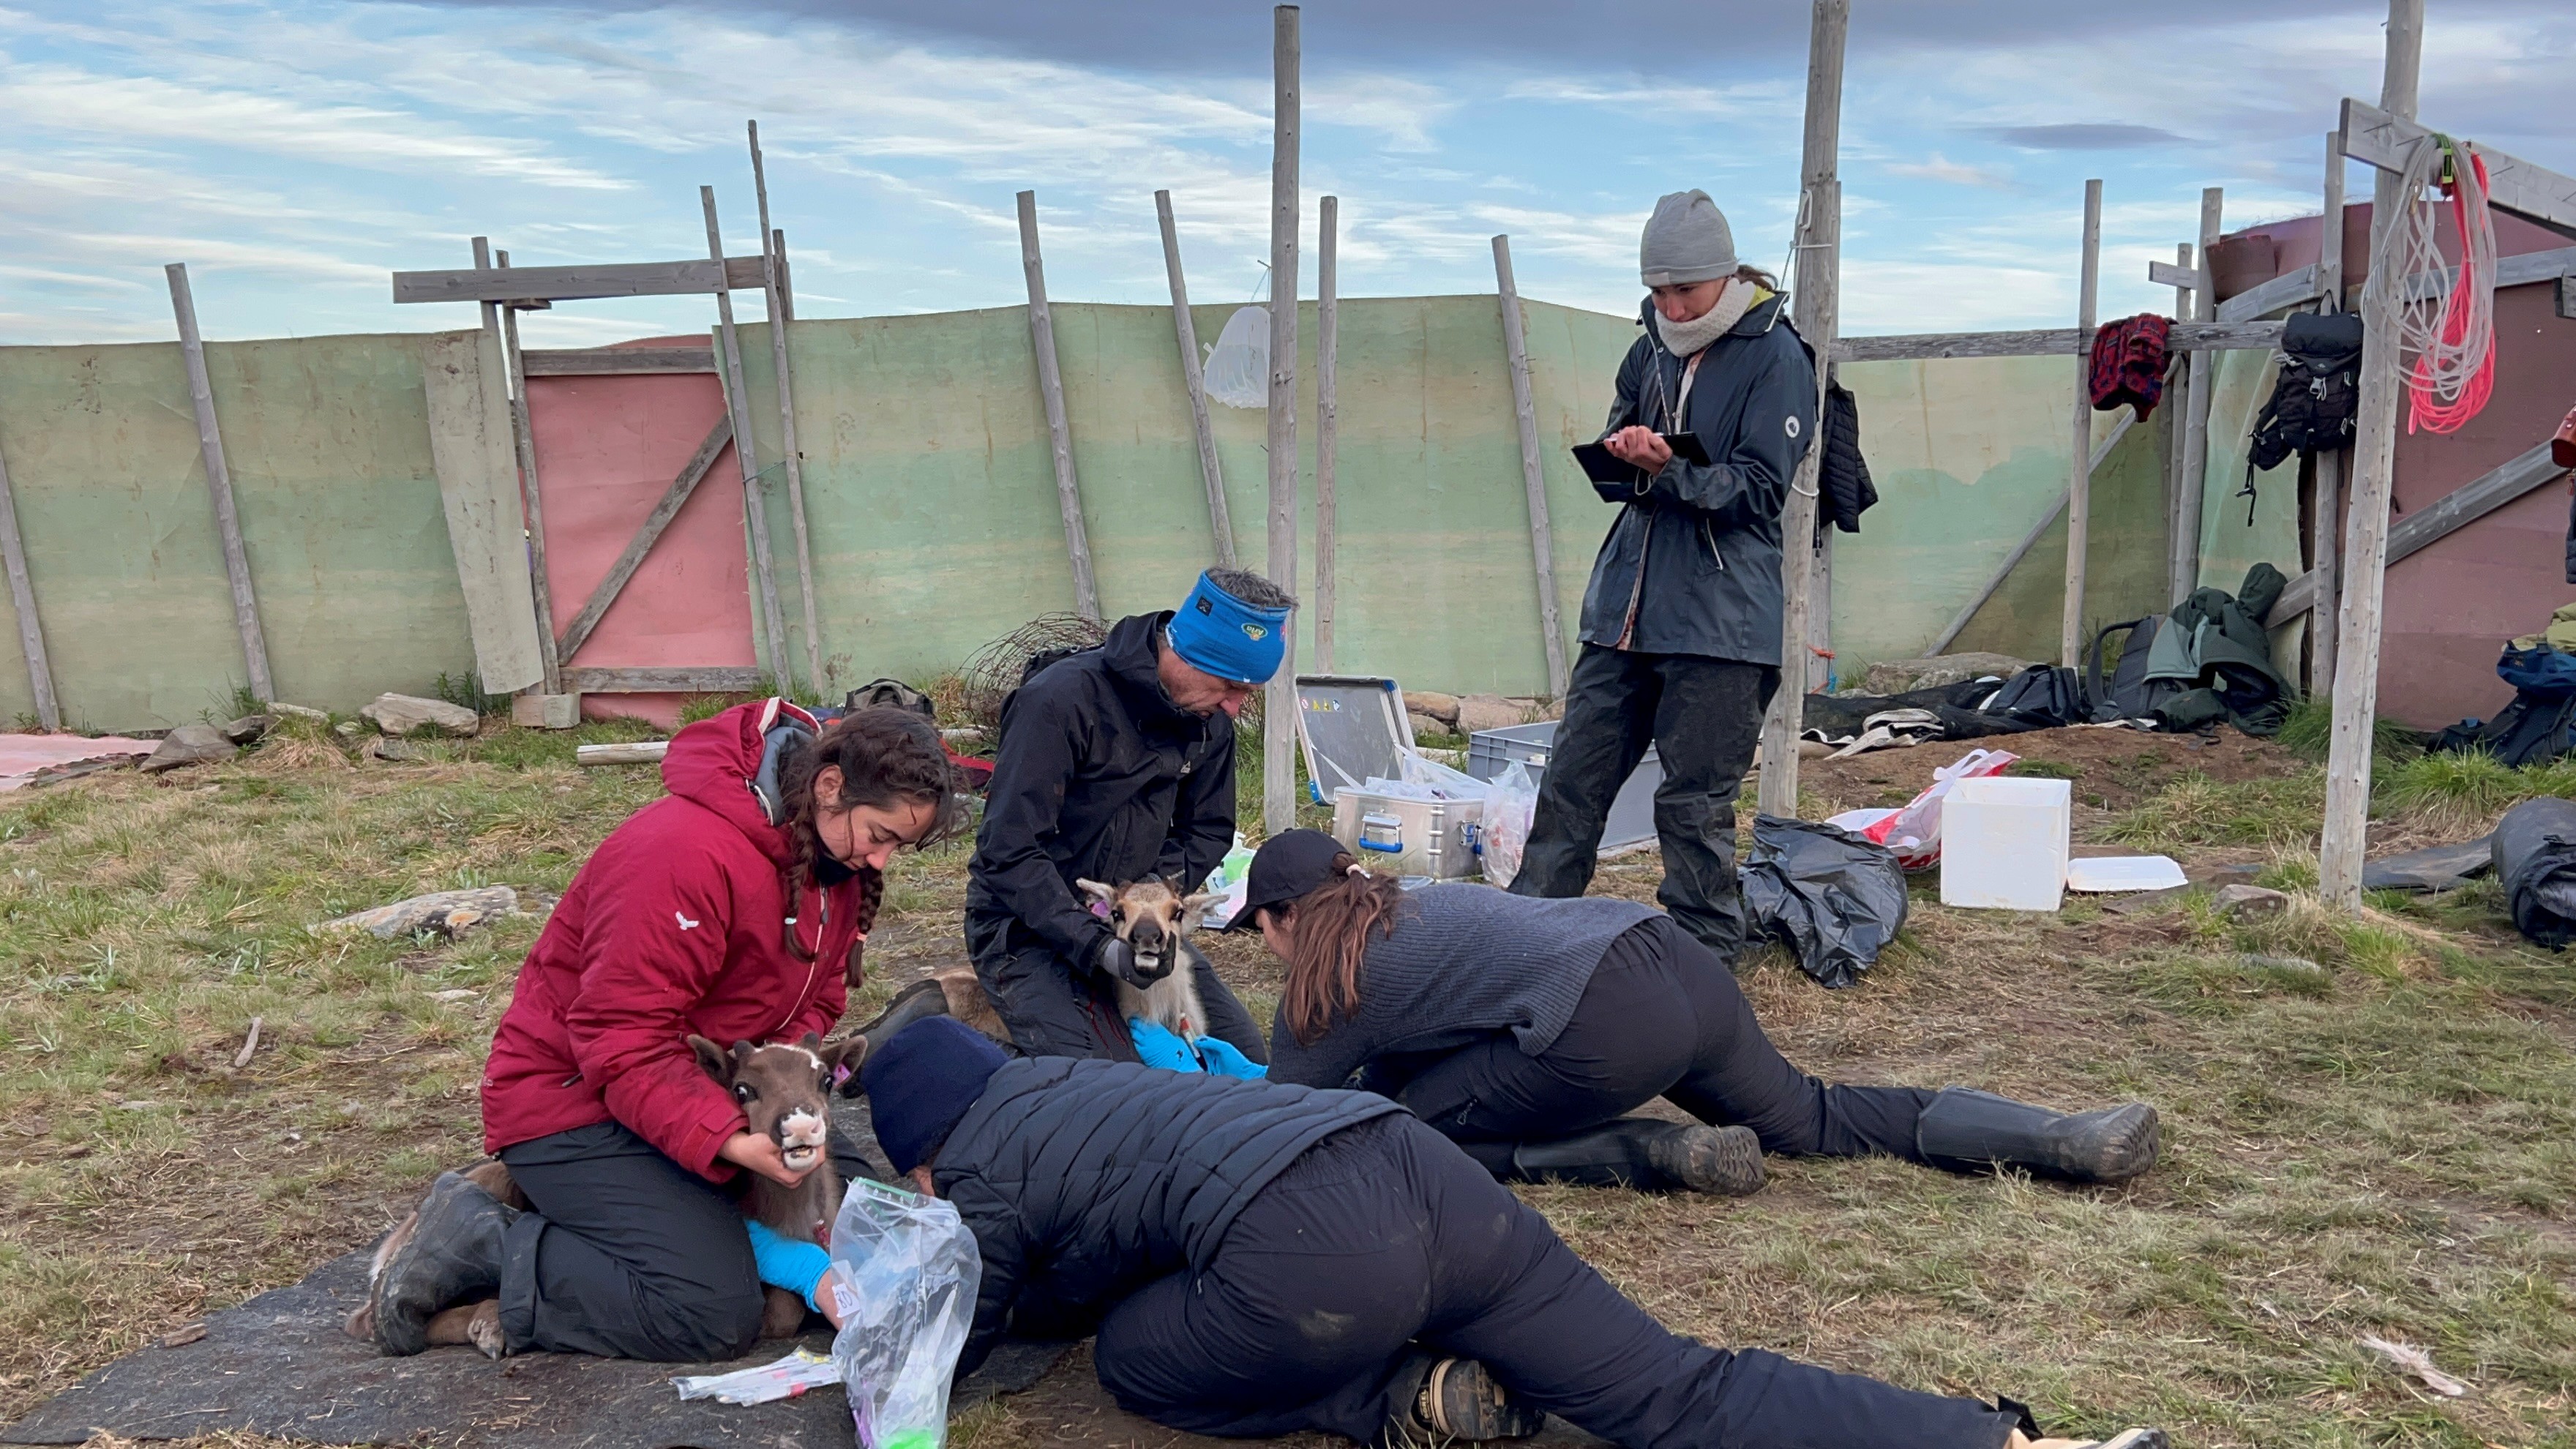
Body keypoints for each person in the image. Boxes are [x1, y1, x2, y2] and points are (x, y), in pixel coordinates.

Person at [860, 1016, 2165, 1449]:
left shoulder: (971, 1163)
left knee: (1134, 1356)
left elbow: (996, 1312)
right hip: (1418, 1174)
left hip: (1311, 1257)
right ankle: (1994, 1440)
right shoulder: (1082, 1079)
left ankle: (1397, 1405)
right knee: (1673, 1390)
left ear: (923, 1134)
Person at [367, 700, 965, 1360]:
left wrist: (786, 1098)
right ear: (829, 788)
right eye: (880, 835)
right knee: (710, 1311)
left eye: (896, 848)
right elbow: (620, 1041)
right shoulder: (680, 853)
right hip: (574, 1106)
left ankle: (611, 1219)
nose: (880, 862)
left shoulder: (829, 861)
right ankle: (484, 1240)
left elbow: (816, 998)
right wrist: (732, 1142)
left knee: (854, 1227)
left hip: (698, 1093)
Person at [1244, 829, 2158, 1194]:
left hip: (1604, 1024)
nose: (1265, 947)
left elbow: (1291, 1117)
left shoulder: (1326, 982)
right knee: (1811, 1115)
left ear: (1290, 918)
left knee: (1393, 1130)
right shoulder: (1420, 902)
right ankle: (2064, 1137)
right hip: (1664, 955)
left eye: (1262, 929)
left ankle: (1647, 1151)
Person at [1511, 189, 1815, 962]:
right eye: (1658, 291)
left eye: (1685, 289)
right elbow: (1625, 444)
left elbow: (1759, 491)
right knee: (1571, 782)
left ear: (1723, 276)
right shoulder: (1645, 349)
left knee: (1692, 804)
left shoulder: (1777, 355)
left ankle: (1703, 962)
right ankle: (1518, 938)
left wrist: (1668, 469)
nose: (1672, 307)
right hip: (1624, 608)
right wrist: (1625, 455)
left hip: (1722, 618)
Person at [963, 567, 1291, 1063]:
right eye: (1228, 685)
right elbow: (1007, 851)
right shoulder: (1059, 703)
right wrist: (1097, 946)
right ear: (1184, 653)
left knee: (1240, 1061)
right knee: (1119, 1087)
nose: (1233, 707)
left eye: (1248, 693)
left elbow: (1208, 829)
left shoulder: (1208, 722)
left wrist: (1148, 905)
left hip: (1133, 927)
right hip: (1031, 931)